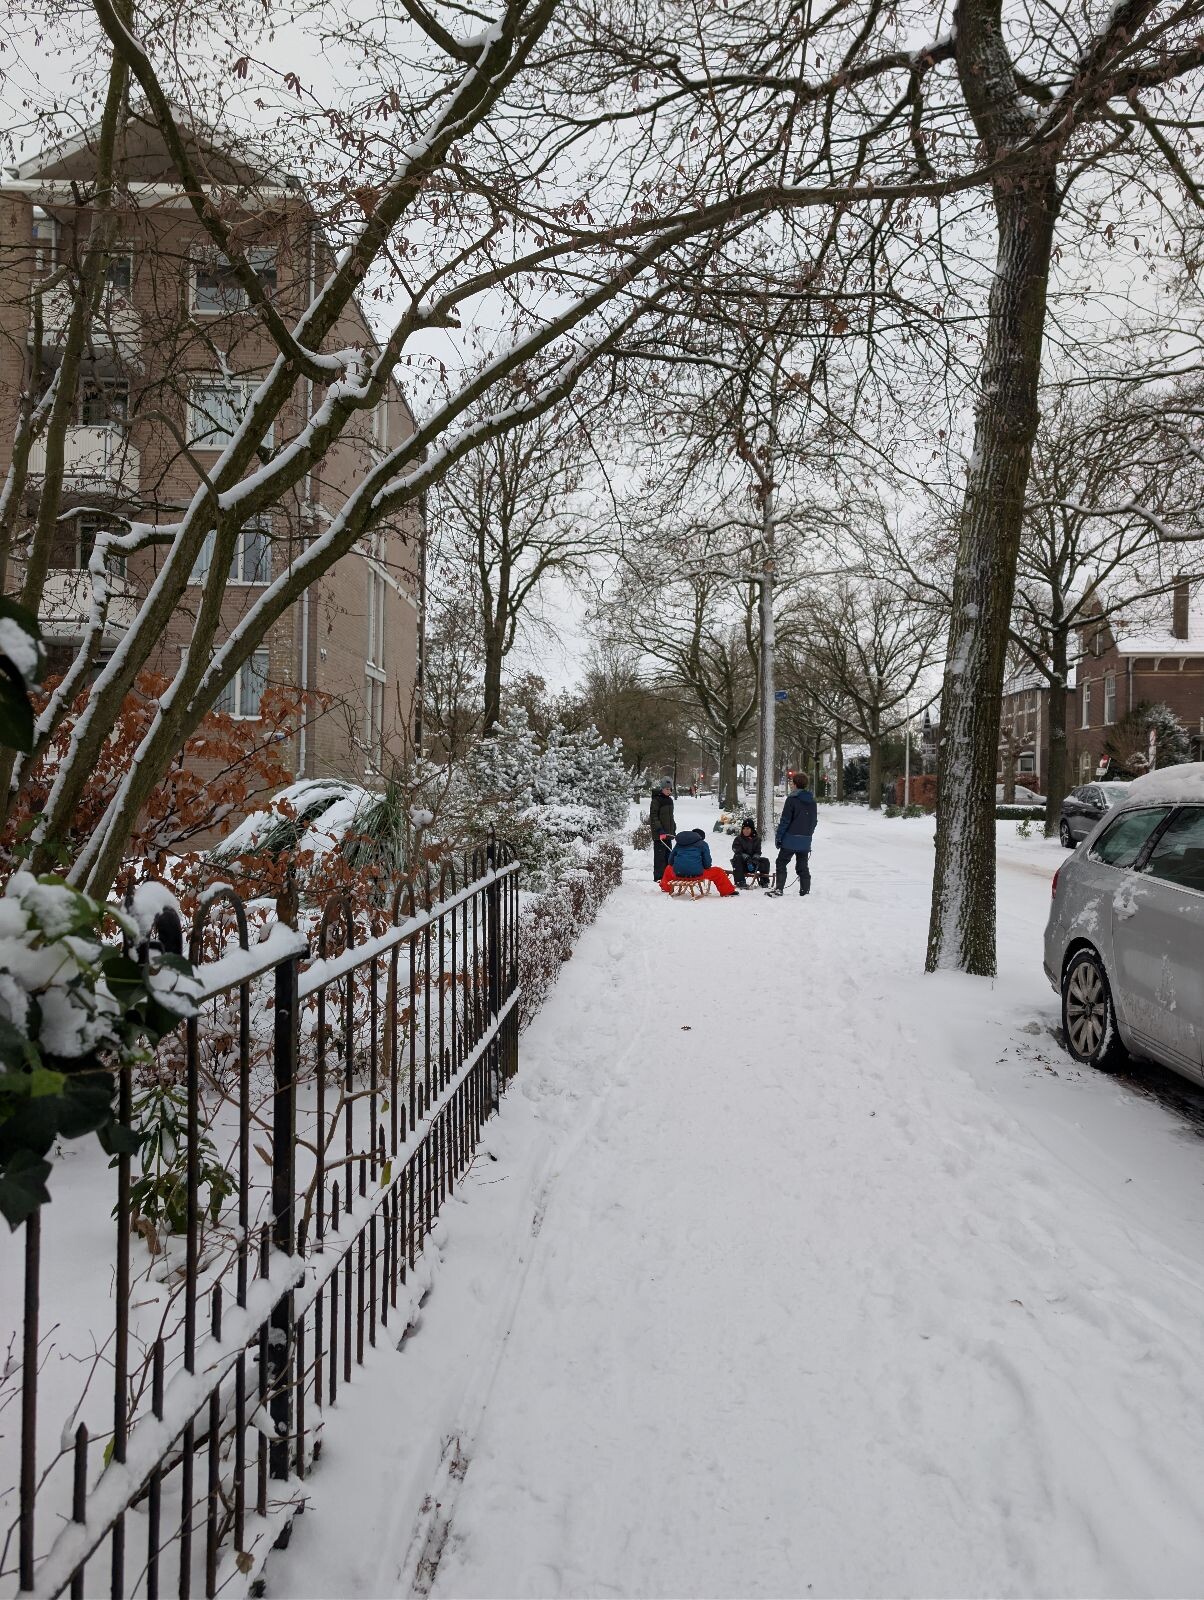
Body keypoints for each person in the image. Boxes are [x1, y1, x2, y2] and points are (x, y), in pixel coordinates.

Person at [767, 771, 818, 898]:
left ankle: (779, 889)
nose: (790, 784)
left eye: (791, 782)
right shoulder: (812, 801)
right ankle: (805, 891)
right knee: (802, 866)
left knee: (781, 862)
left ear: (795, 784)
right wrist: (808, 835)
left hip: (790, 838)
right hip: (805, 840)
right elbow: (814, 821)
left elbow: (785, 820)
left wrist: (779, 838)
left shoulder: (792, 799)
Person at [660, 828, 738, 897]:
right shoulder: (703, 844)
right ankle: (727, 891)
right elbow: (707, 865)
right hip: (696, 875)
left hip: (678, 874)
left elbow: (670, 862)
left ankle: (666, 888)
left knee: (668, 868)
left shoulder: (679, 844)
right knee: (718, 871)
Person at [731, 818, 770, 888]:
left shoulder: (757, 839)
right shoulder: (738, 839)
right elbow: (736, 850)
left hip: (752, 863)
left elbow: (758, 851)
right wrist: (747, 858)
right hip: (741, 864)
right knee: (737, 857)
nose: (745, 831)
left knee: (765, 861)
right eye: (744, 828)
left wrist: (754, 859)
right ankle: (740, 881)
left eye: (748, 829)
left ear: (752, 829)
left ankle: (764, 881)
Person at [649, 780, 676, 881]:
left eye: (670, 789)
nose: (669, 791)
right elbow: (654, 816)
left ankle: (667, 876)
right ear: (662, 789)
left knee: (669, 856)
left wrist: (673, 829)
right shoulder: (656, 800)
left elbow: (671, 817)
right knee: (660, 857)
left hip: (668, 833)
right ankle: (659, 877)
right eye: (667, 789)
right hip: (659, 834)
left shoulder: (670, 800)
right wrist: (659, 829)